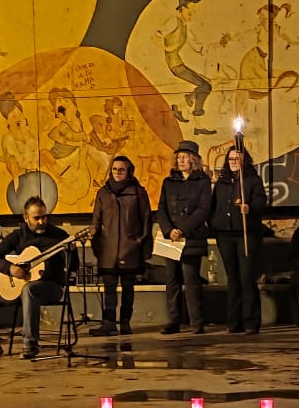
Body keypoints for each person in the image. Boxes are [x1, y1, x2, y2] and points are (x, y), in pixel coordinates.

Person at [0, 196, 69, 361]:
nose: (41, 222)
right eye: (36, 218)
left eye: (44, 217)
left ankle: (30, 344)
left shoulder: (59, 236)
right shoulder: (18, 236)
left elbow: (73, 265)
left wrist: (70, 253)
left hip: (51, 287)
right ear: (26, 218)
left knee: (29, 289)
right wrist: (11, 269)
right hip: (20, 287)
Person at [155, 142, 212, 334]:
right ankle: (173, 321)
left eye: (185, 157)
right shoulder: (168, 182)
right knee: (172, 280)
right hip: (171, 239)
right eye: (179, 157)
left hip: (191, 237)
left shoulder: (203, 182)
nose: (181, 160)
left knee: (191, 280)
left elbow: (203, 209)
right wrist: (168, 230)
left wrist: (183, 229)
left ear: (194, 159)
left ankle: (196, 322)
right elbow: (162, 208)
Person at [90, 155, 151, 337]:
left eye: (121, 169)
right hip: (108, 250)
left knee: (127, 288)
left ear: (128, 171)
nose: (117, 172)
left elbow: (146, 219)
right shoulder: (103, 193)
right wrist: (96, 239)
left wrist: (140, 241)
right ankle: (108, 323)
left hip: (129, 249)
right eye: (115, 169)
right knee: (109, 289)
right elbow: (96, 219)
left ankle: (125, 322)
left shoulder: (138, 192)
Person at [210, 144, 266, 334]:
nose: (233, 162)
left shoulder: (252, 180)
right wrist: (214, 222)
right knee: (233, 278)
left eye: (237, 159)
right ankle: (234, 321)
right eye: (231, 159)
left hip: (245, 233)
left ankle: (251, 321)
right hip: (225, 234)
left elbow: (261, 202)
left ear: (244, 160)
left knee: (246, 277)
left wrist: (250, 208)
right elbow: (215, 205)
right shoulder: (222, 182)